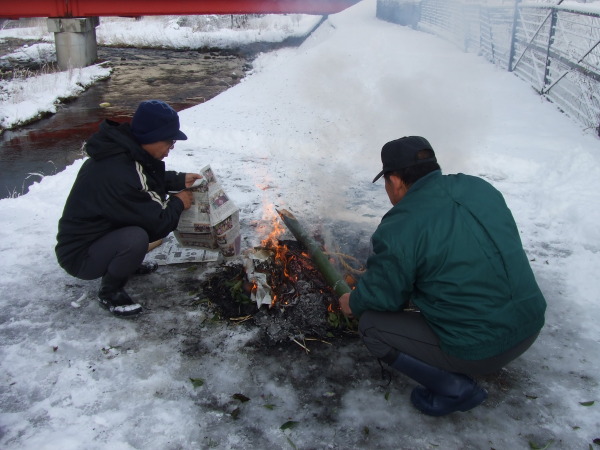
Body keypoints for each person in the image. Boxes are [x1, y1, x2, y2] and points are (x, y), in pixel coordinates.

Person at [339, 136, 546, 416]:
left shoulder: (401, 225)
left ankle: (454, 389)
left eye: (386, 183)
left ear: (396, 180)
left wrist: (353, 302)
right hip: (531, 323)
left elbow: (384, 298)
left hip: (483, 348)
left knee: (372, 325)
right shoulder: (479, 187)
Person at [55, 100, 201, 317]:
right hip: (80, 256)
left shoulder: (123, 152)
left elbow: (144, 179)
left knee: (137, 227)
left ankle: (124, 264)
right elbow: (158, 222)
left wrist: (178, 180)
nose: (170, 150)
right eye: (170, 143)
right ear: (152, 137)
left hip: (98, 236)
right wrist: (179, 202)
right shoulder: (118, 172)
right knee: (137, 237)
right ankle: (110, 291)